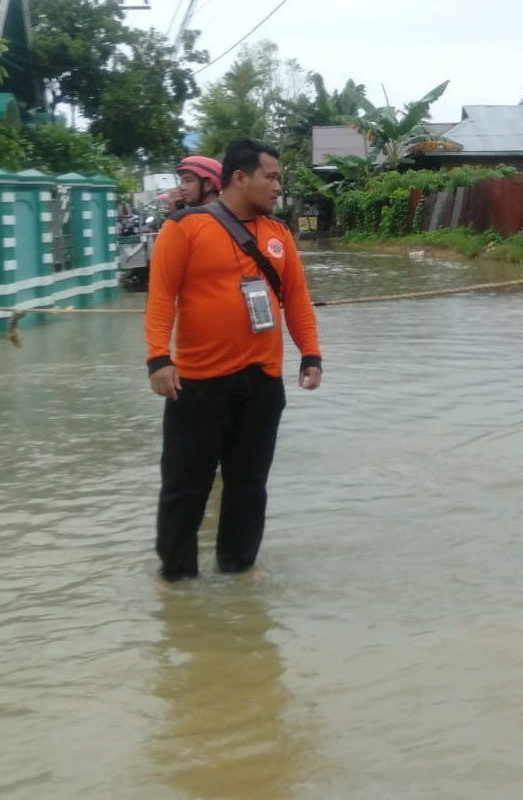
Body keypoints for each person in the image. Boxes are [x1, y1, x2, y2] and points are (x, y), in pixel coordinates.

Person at [144, 138, 323, 582]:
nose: (279, 186)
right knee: (186, 487)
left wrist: (310, 354)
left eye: (279, 178)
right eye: (272, 176)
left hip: (261, 381)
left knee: (248, 486)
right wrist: (158, 359)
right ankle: (176, 575)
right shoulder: (184, 228)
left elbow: (297, 300)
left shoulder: (279, 235)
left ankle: (239, 568)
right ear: (239, 178)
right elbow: (161, 296)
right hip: (199, 383)